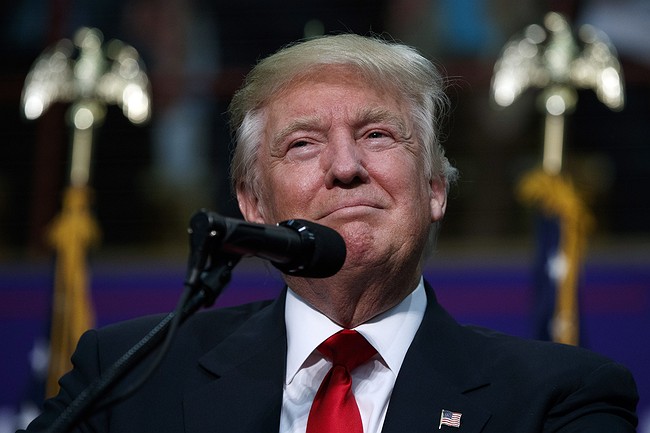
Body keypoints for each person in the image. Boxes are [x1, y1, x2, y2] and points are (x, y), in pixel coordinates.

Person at [23, 34, 638, 433]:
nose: (346, 168)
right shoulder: (130, 380)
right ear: (252, 204)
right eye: (302, 144)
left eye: (377, 135)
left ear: (434, 188)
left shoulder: (560, 399)